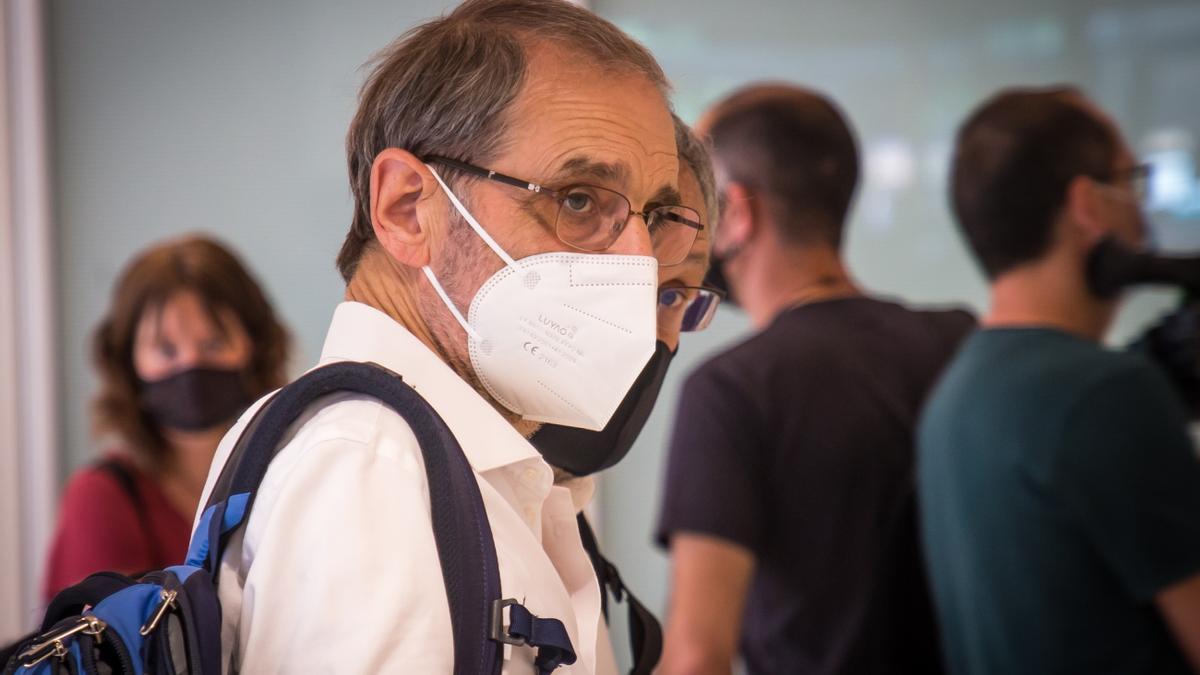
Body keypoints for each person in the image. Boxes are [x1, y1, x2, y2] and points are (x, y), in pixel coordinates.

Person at [195, 1, 698, 671]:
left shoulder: (467, 465)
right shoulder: (373, 467)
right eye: (578, 199)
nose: (640, 261)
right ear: (407, 208)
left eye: (653, 213)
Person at [656, 83, 975, 675]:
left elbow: (697, 655)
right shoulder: (958, 341)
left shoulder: (730, 391)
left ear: (740, 213)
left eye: (695, 201)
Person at [919, 87, 1200, 674]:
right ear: (1088, 206)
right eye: (1131, 180)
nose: (1141, 213)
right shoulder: (1105, 393)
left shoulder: (956, 394)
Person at [43, 235, 290, 600]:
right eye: (166, 349)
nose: (191, 365)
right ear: (129, 362)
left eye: (213, 344)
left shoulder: (281, 475)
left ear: (255, 346)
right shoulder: (101, 497)